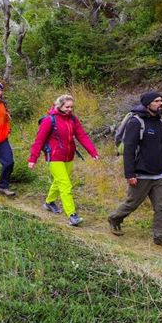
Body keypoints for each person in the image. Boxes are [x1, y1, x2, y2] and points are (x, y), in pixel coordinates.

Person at [107, 92, 162, 248]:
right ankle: (115, 218)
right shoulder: (136, 122)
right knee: (132, 203)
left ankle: (160, 237)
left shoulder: (161, 122)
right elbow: (129, 150)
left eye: (161, 100)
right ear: (148, 104)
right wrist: (130, 174)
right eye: (157, 101)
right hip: (141, 173)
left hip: (160, 174)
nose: (161, 103)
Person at [27, 94, 99, 227]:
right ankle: (72, 215)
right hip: (54, 157)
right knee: (65, 185)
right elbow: (39, 140)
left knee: (58, 181)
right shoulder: (49, 120)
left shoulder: (73, 119)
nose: (69, 109)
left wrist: (92, 152)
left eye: (71, 107)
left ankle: (49, 202)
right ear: (59, 106)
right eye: (67, 107)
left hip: (69, 156)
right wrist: (33, 158)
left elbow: (81, 135)